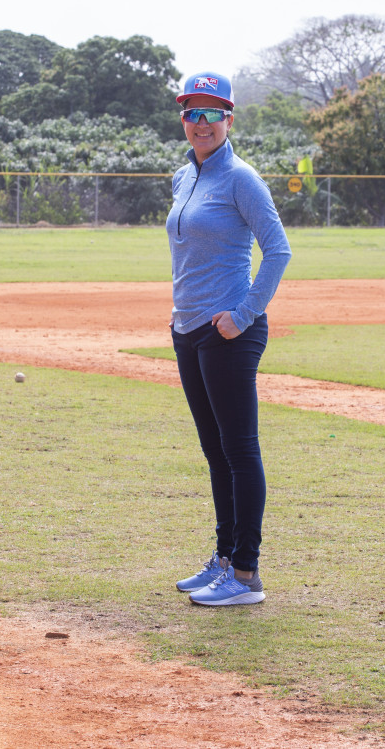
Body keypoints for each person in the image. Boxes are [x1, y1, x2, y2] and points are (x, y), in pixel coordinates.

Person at [166, 72, 292, 606]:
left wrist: (242, 315)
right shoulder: (183, 177)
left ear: (229, 120)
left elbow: (278, 250)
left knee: (239, 450)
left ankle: (245, 574)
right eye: (192, 112)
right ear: (183, 120)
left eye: (212, 113)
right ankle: (222, 559)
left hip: (229, 332)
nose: (202, 122)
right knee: (215, 452)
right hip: (189, 330)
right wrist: (180, 317)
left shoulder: (242, 178)